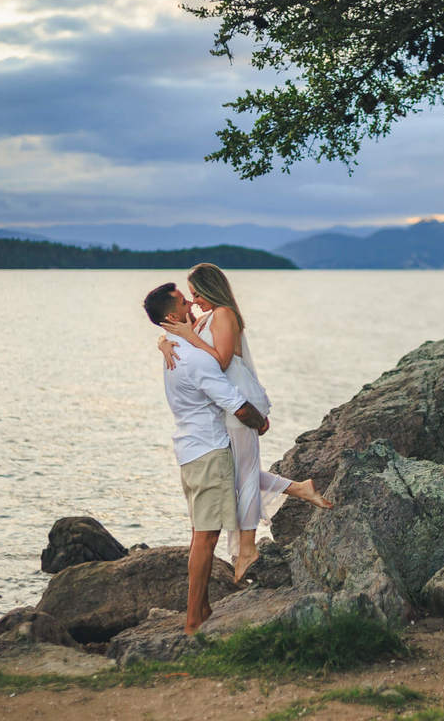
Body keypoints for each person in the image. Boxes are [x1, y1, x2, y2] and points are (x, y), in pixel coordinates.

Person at [159, 263, 331, 583]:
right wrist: (165, 341)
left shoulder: (225, 313)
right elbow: (187, 339)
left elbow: (221, 359)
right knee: (239, 471)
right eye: (191, 297)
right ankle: (298, 488)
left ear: (211, 289)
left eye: (197, 294)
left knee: (245, 473)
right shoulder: (208, 317)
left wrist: (186, 336)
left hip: (239, 403)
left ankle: (248, 549)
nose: (194, 302)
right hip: (222, 407)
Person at [143, 282, 269, 634]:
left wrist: (164, 339)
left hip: (189, 449)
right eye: (185, 301)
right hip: (209, 451)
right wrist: (260, 422)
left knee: (202, 531)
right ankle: (193, 618)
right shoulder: (194, 357)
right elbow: (234, 403)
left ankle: (202, 608)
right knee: (206, 538)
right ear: (173, 315)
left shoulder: (176, 347)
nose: (192, 305)